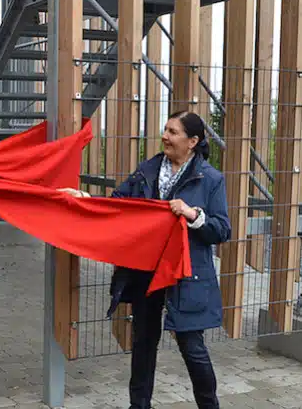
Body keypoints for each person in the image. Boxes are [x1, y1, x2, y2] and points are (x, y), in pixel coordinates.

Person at [61, 111, 231, 409]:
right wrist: (83, 198)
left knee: (192, 348)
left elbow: (222, 230)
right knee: (143, 344)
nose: (165, 136)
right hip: (147, 272)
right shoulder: (147, 171)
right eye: (165, 129)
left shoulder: (211, 180)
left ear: (192, 141)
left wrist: (192, 214)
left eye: (173, 132)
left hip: (186, 275)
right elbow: (117, 205)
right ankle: (138, 406)